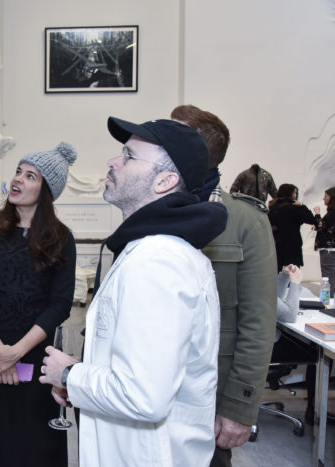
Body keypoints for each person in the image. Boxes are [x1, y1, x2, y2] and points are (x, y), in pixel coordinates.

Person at [40, 117, 227, 466]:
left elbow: (144, 395)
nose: (113, 161)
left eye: (128, 155)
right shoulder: (152, 250)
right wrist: (82, 378)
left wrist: (68, 373)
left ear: (165, 180)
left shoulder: (157, 262)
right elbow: (139, 364)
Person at [170, 105, 277, 467]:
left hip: (209, 395)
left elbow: (258, 323)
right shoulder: (150, 213)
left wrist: (239, 406)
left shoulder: (246, 222)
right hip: (148, 390)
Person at [0, 142, 77, 467]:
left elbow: (59, 305)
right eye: (18, 172)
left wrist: (18, 352)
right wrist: (1, 352)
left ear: (47, 190)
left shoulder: (62, 239)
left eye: (30, 176)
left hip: (37, 359)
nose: (18, 180)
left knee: (32, 445)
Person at [271, 264, 318, 423]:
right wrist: (296, 282)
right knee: (316, 352)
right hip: (269, 347)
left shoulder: (246, 277)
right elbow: (290, 315)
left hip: (255, 345)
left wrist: (284, 277)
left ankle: (314, 406)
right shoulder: (257, 282)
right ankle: (316, 409)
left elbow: (275, 304)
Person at [268, 183, 317, 270]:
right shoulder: (293, 208)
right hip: (292, 248)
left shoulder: (272, 208)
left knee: (279, 275)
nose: (296, 196)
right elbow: (311, 220)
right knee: (292, 276)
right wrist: (302, 206)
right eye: (295, 193)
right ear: (289, 194)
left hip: (276, 246)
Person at [314, 186, 335, 296]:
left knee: (328, 276)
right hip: (331, 249)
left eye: (326, 196)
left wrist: (317, 214)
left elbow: (320, 226)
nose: (323, 198)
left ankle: (327, 300)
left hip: (328, 249)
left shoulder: (332, 214)